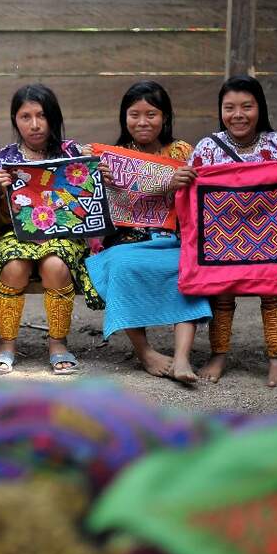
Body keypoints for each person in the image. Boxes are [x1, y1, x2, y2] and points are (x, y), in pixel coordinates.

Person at [174, 75, 277, 387]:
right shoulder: (208, 148)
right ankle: (219, 354)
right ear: (221, 111)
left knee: (274, 290)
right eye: (230, 107)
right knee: (221, 292)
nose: (238, 114)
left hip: (271, 237)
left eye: (247, 106)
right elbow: (188, 194)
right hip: (222, 238)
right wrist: (181, 181)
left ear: (260, 108)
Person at [85, 81, 211, 383]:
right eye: (134, 114)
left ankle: (182, 358)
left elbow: (202, 198)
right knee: (122, 267)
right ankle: (146, 353)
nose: (142, 122)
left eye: (151, 114)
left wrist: (188, 181)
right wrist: (93, 177)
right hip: (126, 240)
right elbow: (91, 205)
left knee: (187, 268)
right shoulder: (111, 156)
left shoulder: (183, 152)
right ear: (124, 118)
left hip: (172, 238)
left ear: (165, 117)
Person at [0, 83, 98, 375]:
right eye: (25, 117)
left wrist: (95, 171)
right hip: (17, 235)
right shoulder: (4, 158)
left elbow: (87, 203)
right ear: (15, 120)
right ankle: (7, 344)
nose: (34, 125)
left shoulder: (73, 153)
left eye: (41, 116)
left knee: (56, 267)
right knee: (13, 268)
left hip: (63, 235)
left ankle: (58, 343)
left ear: (53, 117)